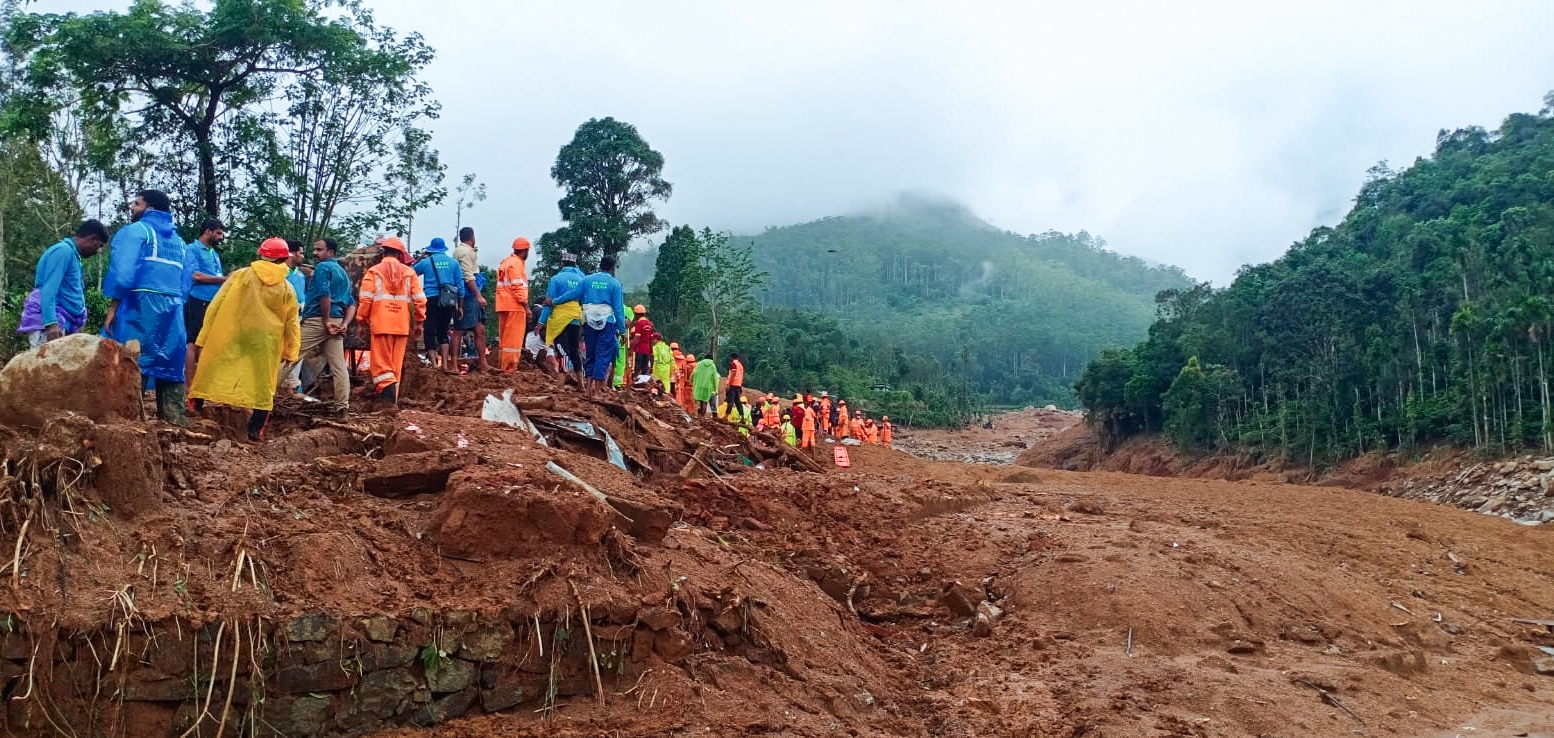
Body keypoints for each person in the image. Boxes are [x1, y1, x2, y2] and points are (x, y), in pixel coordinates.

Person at [189, 238, 301, 441]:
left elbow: (216, 304)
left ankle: (196, 404)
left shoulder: (240, 276)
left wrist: (203, 337)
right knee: (263, 383)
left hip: (234, 332)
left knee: (212, 365)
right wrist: (291, 351)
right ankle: (254, 430)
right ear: (284, 258)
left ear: (261, 254)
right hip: (266, 341)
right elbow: (292, 323)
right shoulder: (286, 288)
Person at [104, 189, 189, 425]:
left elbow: (123, 274)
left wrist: (114, 305)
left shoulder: (135, 232)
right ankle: (175, 422)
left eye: (137, 203)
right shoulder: (180, 242)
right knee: (171, 365)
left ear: (149, 208)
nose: (132, 207)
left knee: (132, 360)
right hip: (173, 310)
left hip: (139, 306)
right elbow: (186, 282)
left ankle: (128, 421)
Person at [357, 237, 426, 405]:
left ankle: (386, 403)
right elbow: (420, 300)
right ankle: (392, 403)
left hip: (381, 324)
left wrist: (361, 320)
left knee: (382, 366)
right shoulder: (409, 273)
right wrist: (419, 322)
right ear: (400, 255)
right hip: (401, 325)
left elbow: (366, 299)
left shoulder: (374, 271)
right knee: (395, 367)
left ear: (383, 253)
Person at [19, 220, 108, 347]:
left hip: (61, 322)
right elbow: (49, 289)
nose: (97, 251)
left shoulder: (72, 254)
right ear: (92, 239)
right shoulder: (63, 251)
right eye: (99, 246)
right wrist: (51, 324)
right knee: (47, 366)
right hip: (52, 325)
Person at [547, 254, 626, 397]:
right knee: (603, 355)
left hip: (588, 320)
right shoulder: (615, 284)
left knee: (590, 353)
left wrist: (555, 301)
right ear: (613, 268)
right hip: (606, 322)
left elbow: (572, 294)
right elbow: (618, 310)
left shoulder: (587, 280)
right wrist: (622, 331)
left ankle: (588, 388)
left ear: (600, 265)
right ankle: (596, 392)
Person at [299, 238, 356, 413]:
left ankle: (265, 401)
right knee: (339, 367)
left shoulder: (323, 268)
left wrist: (325, 320)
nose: (315, 253)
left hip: (318, 320)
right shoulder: (342, 272)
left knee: (289, 355)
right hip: (338, 322)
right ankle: (342, 407)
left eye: (319, 250)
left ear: (330, 252)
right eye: (315, 249)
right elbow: (352, 303)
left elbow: (325, 295)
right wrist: (345, 324)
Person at [181, 219, 225, 383]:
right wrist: (225, 279)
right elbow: (195, 276)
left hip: (213, 303)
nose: (221, 237)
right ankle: (189, 385)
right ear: (208, 232)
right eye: (218, 233)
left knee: (206, 342)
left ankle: (204, 383)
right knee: (192, 341)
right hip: (197, 300)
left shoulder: (214, 253)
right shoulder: (192, 249)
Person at [414, 237, 464, 372]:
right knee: (443, 331)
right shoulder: (453, 263)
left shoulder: (426, 262)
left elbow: (411, 273)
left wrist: (420, 259)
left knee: (430, 330)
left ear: (431, 249)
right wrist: (460, 306)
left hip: (430, 299)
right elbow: (460, 285)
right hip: (448, 301)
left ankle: (434, 365)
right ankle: (445, 365)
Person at [539, 250, 585, 380]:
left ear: (562, 263)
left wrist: (541, 322)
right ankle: (581, 382)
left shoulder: (556, 279)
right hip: (576, 317)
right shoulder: (582, 278)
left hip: (560, 319)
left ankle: (563, 378)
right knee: (575, 350)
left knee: (561, 349)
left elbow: (548, 303)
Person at [450, 227, 490, 372]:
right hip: (466, 295)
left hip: (471, 294)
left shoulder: (466, 251)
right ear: (472, 237)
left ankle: (483, 363)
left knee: (480, 328)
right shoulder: (464, 252)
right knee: (459, 330)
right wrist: (478, 295)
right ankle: (454, 365)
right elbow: (468, 276)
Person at [495, 237, 531, 372]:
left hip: (503, 304)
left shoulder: (506, 263)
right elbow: (517, 287)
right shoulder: (516, 264)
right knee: (513, 341)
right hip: (515, 306)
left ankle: (503, 366)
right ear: (525, 250)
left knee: (504, 341)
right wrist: (526, 307)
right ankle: (509, 368)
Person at [278, 240, 308, 397]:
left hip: (298, 320)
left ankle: (291, 388)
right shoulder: (280, 273)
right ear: (293, 253)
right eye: (301, 253)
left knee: (295, 352)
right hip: (283, 321)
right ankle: (286, 389)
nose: (302, 256)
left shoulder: (300, 275)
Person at [628, 305, 655, 377]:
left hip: (640, 348)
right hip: (648, 349)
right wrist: (651, 350)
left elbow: (637, 338)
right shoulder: (650, 324)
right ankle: (643, 383)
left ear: (636, 314)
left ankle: (637, 382)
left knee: (637, 367)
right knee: (645, 368)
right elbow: (651, 339)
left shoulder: (639, 323)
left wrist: (631, 349)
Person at [723, 352, 745, 420]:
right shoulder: (740, 365)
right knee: (738, 402)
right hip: (738, 385)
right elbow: (741, 376)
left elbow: (733, 374)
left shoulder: (733, 364)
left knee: (730, 401)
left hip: (733, 384)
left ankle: (726, 416)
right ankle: (742, 417)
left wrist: (729, 384)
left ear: (731, 358)